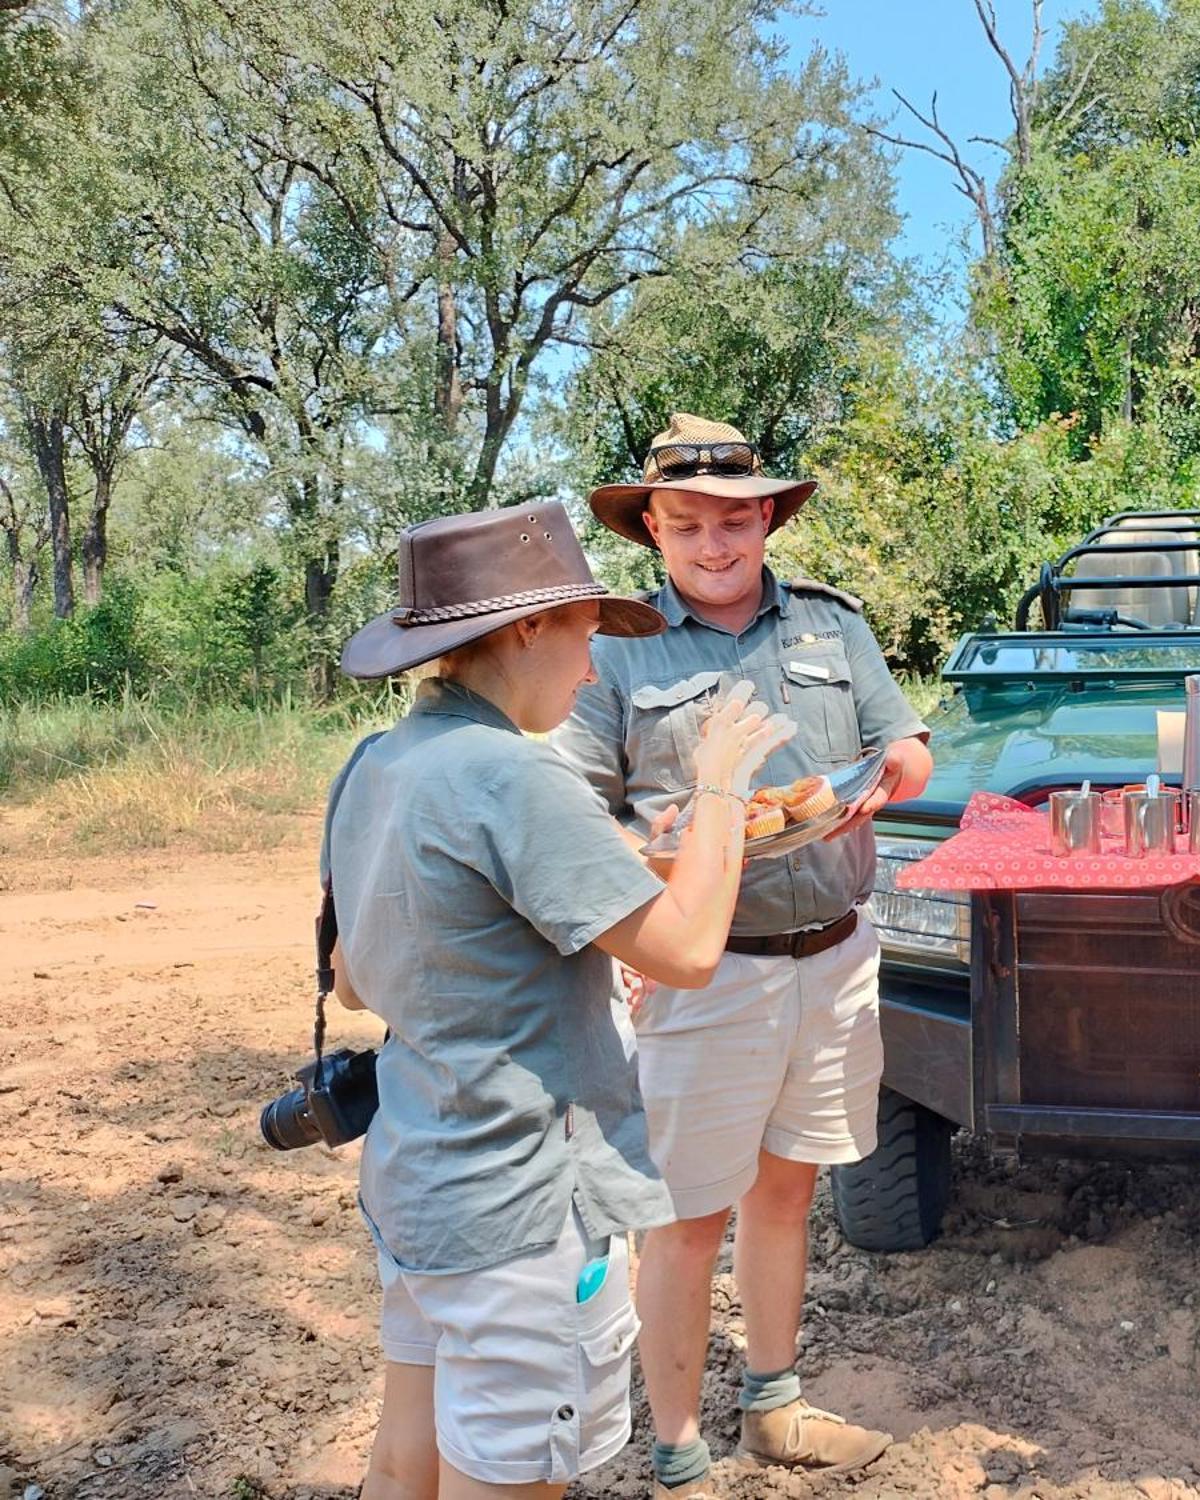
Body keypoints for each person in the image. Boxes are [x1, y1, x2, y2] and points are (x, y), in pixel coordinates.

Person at [325, 503, 794, 1500]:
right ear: (527, 629)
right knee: (513, 1480)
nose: (591, 671)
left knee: (405, 1461)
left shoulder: (376, 763)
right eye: (585, 635)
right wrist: (716, 790)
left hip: (420, 1186)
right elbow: (684, 953)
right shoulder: (511, 775)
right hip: (521, 1213)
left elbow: (357, 980)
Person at [550, 413, 933, 1498]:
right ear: (653, 535)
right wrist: (659, 861)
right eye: (686, 527)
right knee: (681, 1219)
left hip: (834, 954)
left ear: (764, 516)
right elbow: (581, 820)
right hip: (703, 972)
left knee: (784, 1191)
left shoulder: (830, 626)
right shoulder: (614, 650)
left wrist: (886, 774)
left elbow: (901, 742)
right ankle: (676, 1453)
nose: (712, 546)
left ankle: (773, 1405)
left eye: (732, 521)